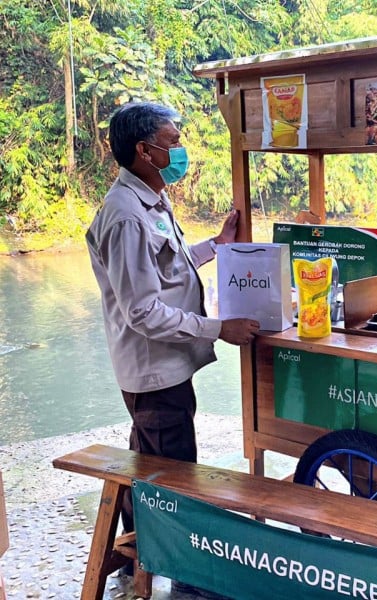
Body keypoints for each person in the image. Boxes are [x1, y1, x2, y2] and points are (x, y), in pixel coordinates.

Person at [86, 102, 258, 598]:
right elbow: (141, 311)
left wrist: (216, 245)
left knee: (147, 457)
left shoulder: (150, 200)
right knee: (175, 468)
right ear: (144, 150)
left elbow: (170, 267)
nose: (179, 150)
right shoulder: (125, 218)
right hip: (152, 371)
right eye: (172, 141)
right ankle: (191, 573)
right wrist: (217, 328)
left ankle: (133, 554)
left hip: (161, 369)